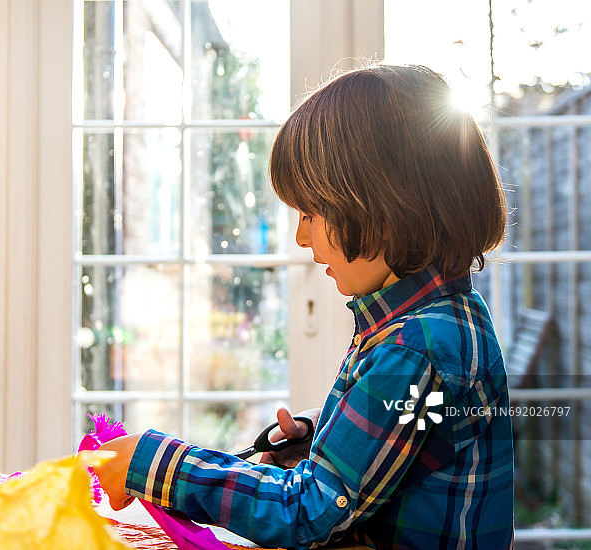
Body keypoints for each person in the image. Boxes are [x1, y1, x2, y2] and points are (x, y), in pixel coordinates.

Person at [95, 64, 514, 550]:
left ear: (382, 211)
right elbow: (423, 426)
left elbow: (310, 511)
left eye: (312, 214)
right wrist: (324, 437)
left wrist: (155, 464)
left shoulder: (415, 347)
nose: (301, 238)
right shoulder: (446, 317)